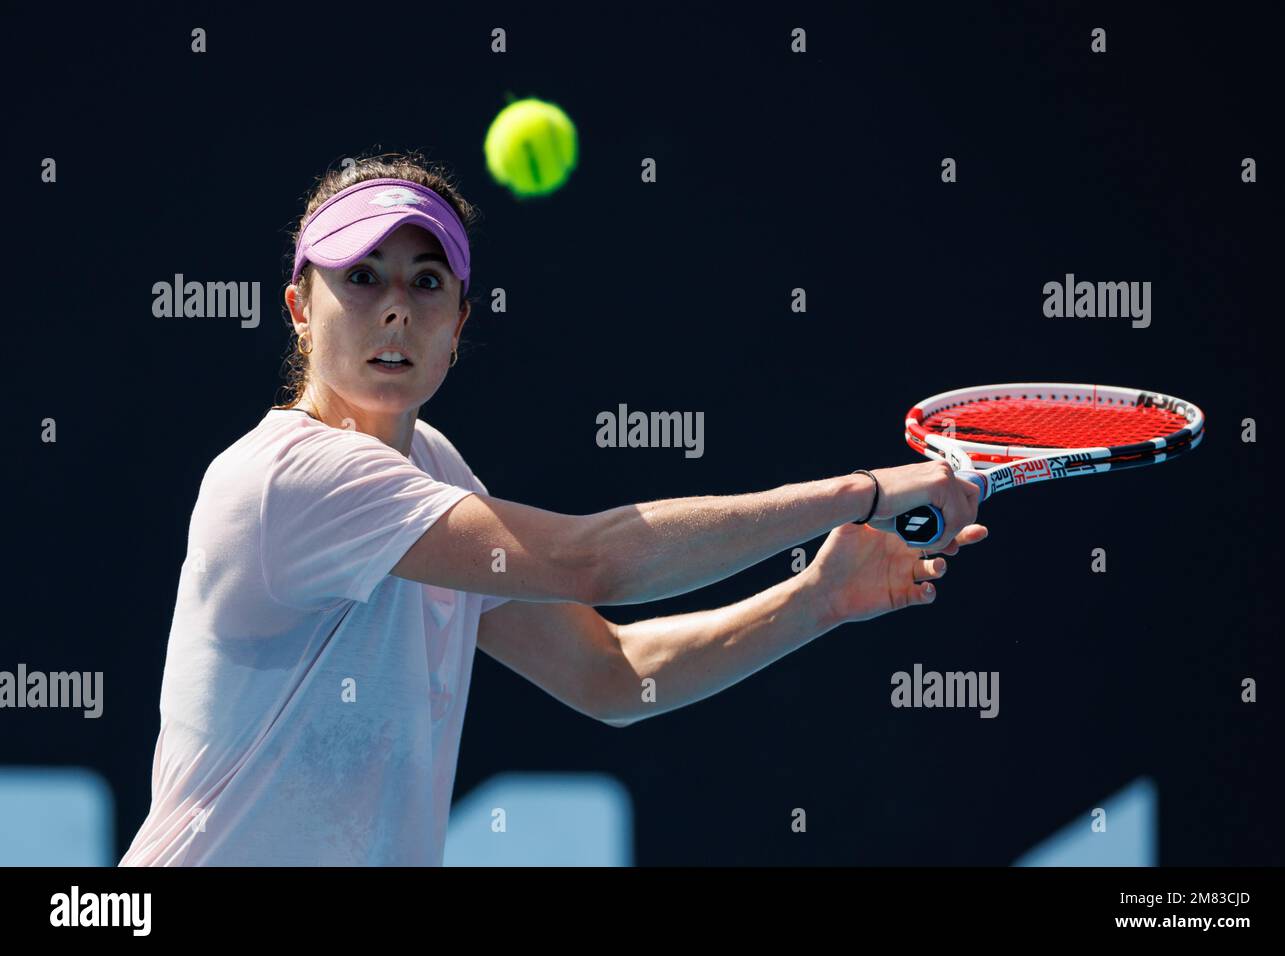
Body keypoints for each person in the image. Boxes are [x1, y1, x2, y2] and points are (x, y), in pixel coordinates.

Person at [119, 152, 987, 866]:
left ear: (460, 323)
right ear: (300, 309)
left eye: (427, 282)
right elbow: (594, 561)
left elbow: (609, 673)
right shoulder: (289, 480)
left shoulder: (436, 470)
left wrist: (815, 598)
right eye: (360, 276)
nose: (394, 306)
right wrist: (860, 493)